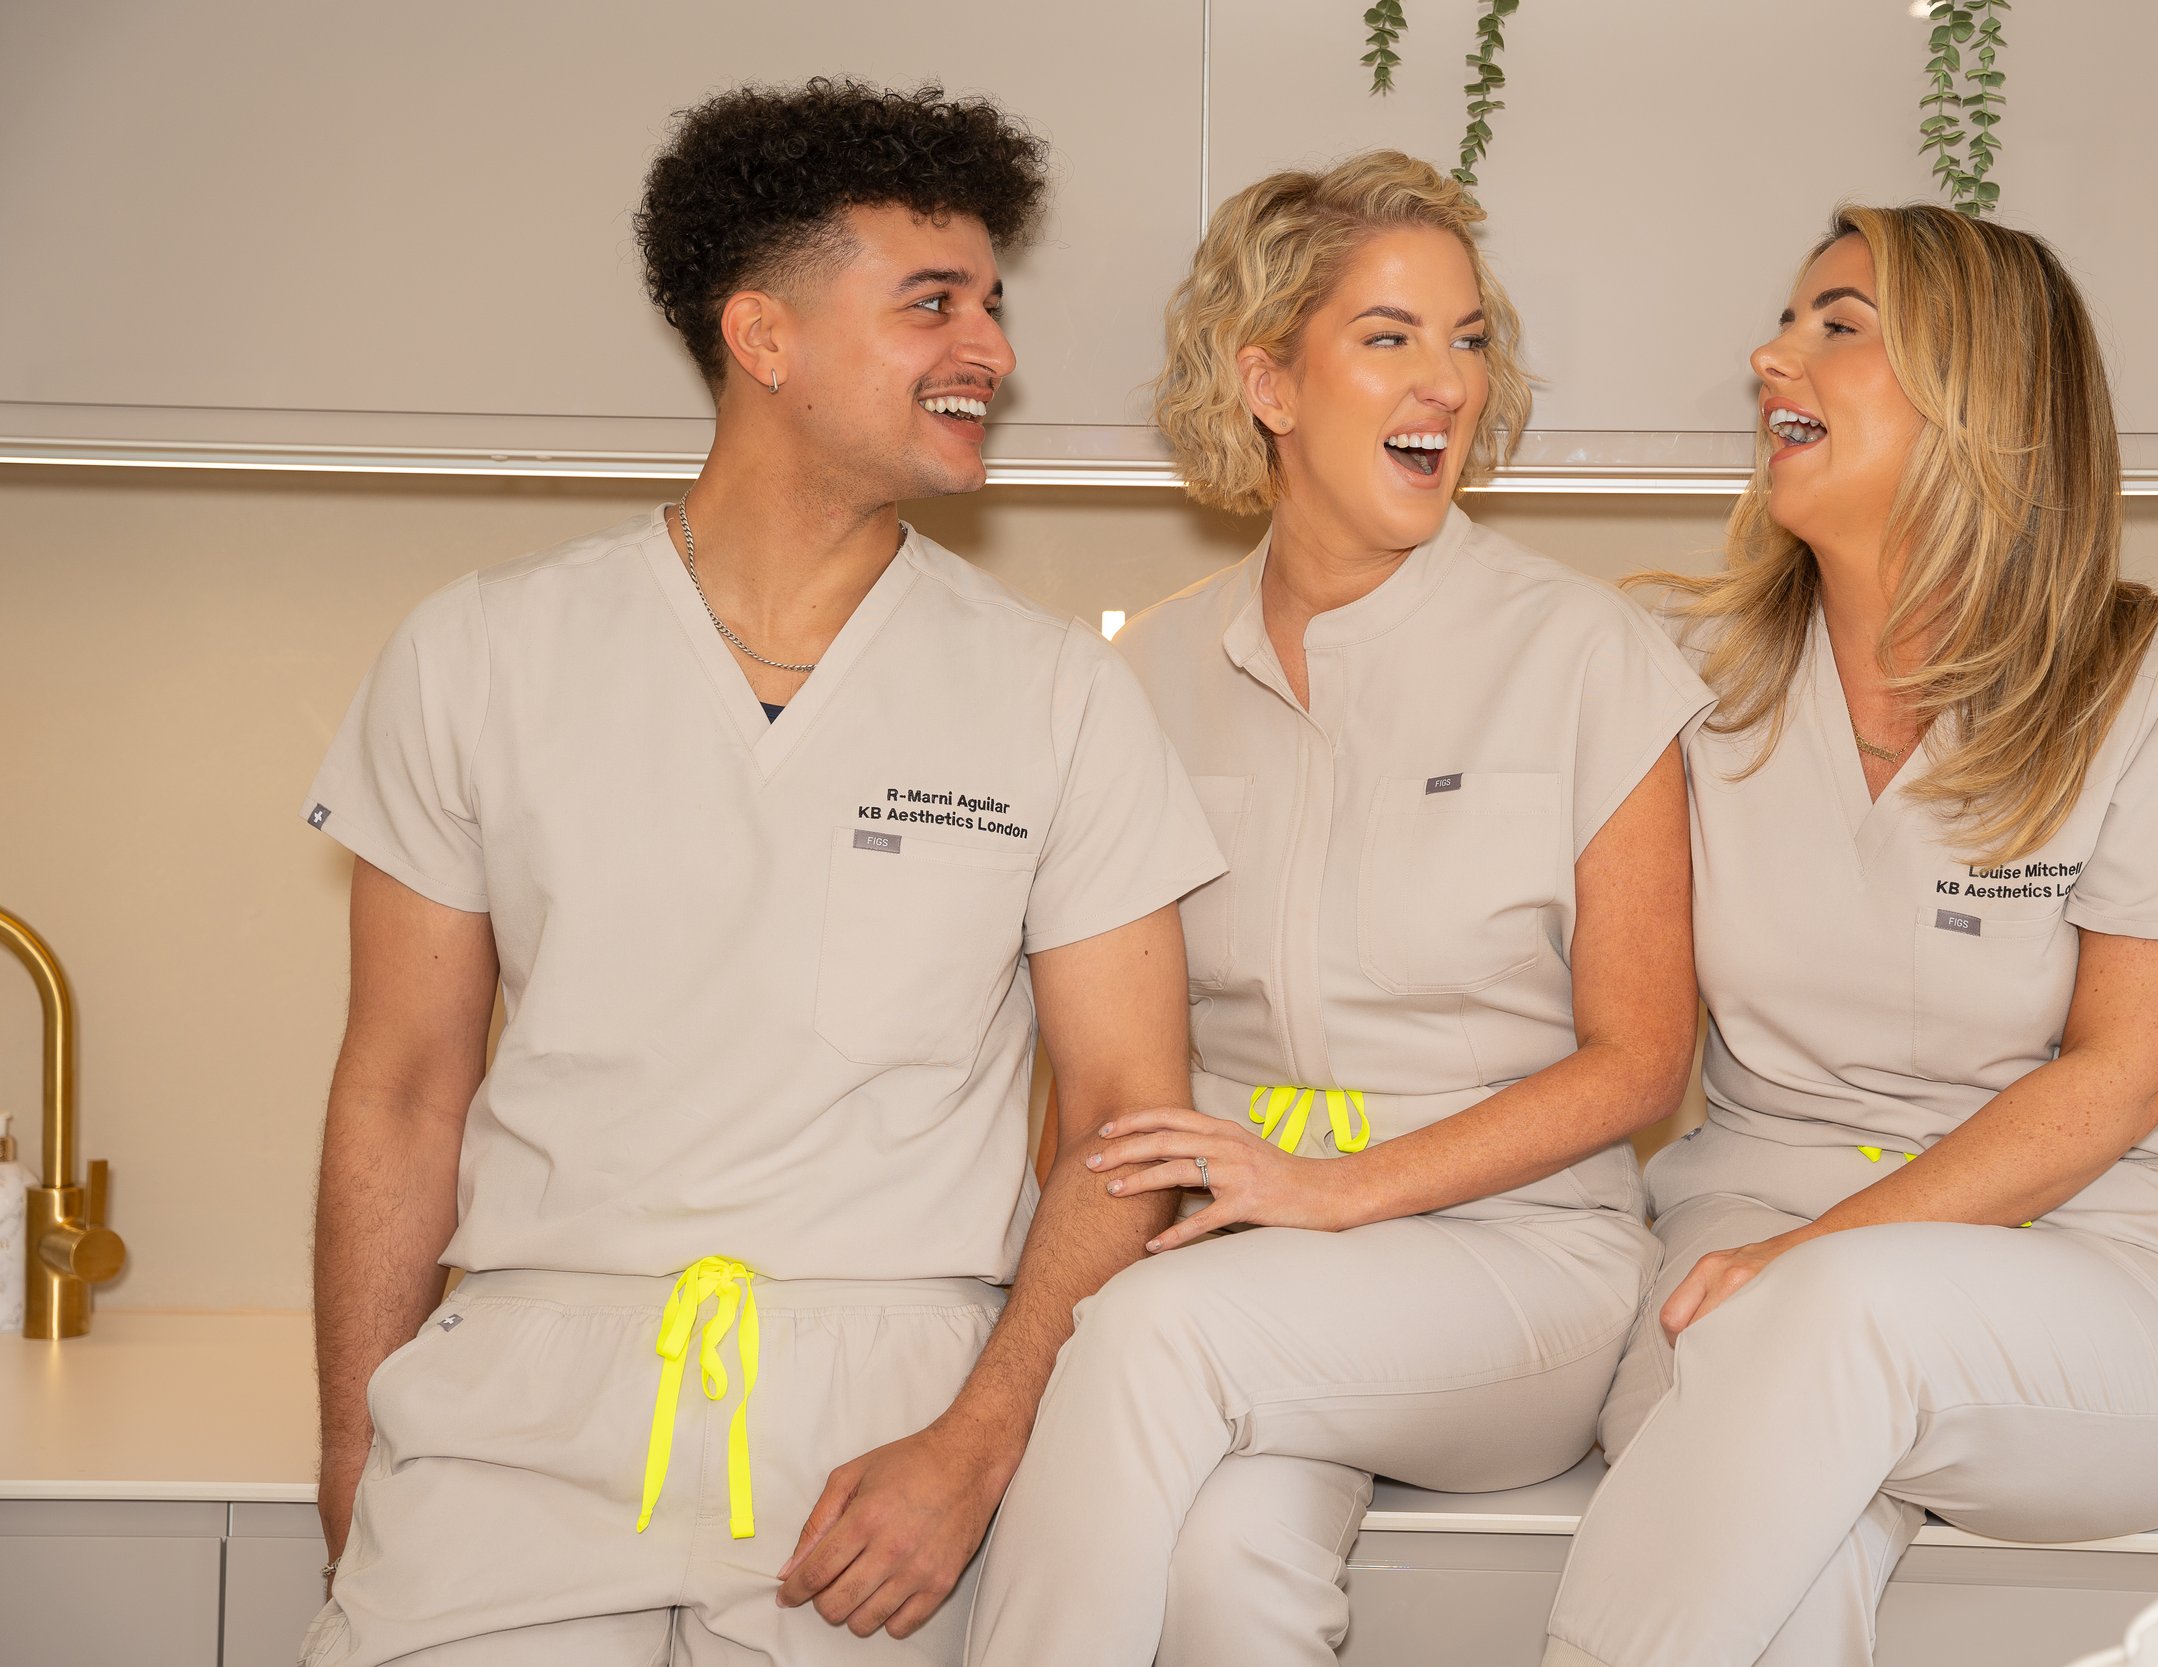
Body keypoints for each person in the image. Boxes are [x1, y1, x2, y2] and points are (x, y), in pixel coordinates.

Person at [297, 78, 1222, 1666]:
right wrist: (355, 1442)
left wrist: (981, 1440)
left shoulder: (1058, 696)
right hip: (519, 1394)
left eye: (992, 303)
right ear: (764, 337)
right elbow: (399, 1089)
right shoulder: (480, 655)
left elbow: (1128, 1127)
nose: (989, 349)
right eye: (933, 303)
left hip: (888, 1435)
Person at [963, 150, 1715, 1667]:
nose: (1445, 381)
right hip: (1249, 1267)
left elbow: (1644, 1061)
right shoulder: (1146, 680)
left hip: (1518, 1269)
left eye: (1468, 338)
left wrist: (1334, 1190)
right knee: (1227, 1569)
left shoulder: (1587, 657)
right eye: (1388, 338)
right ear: (1269, 381)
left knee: (1153, 1339)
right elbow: (1102, 1071)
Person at [1541, 204, 2158, 1667]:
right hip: (1742, 1243)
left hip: (2097, 1270)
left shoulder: (2146, 681)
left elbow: (2125, 1076)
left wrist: (1823, 1254)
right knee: (1791, 1540)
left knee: (1828, 1328)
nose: (1770, 355)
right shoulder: (1679, 673)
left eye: (1838, 324)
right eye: (1787, 319)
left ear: (1982, 393)